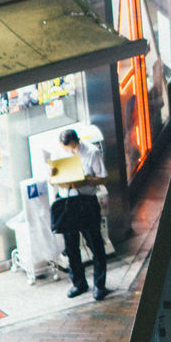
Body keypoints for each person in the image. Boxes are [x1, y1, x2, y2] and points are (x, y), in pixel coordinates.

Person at [53, 129, 109, 301]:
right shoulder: (58, 153)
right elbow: (52, 178)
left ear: (77, 142)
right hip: (67, 202)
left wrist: (84, 180)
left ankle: (99, 285)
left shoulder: (92, 152)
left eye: (73, 148)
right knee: (71, 247)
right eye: (67, 148)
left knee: (95, 243)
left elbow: (103, 178)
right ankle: (79, 283)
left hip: (86, 201)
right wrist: (53, 176)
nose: (70, 151)